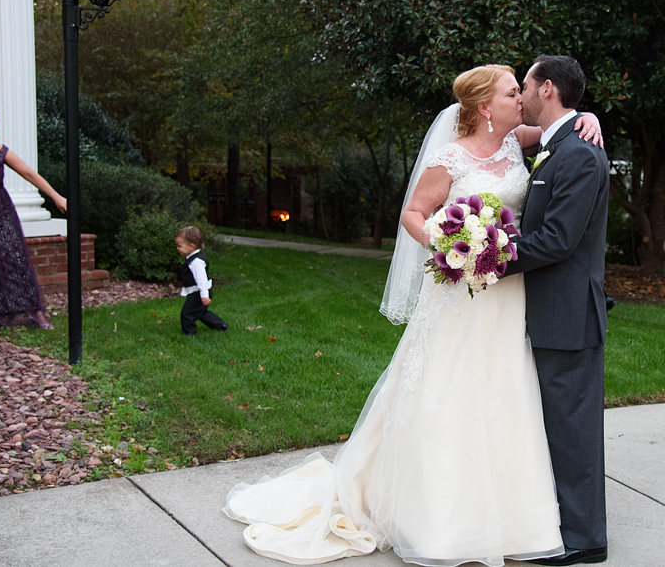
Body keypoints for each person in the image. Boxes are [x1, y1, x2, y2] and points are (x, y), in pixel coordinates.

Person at [223, 65, 604, 566]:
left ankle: (513, 515)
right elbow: (412, 213)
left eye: (524, 89)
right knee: (446, 393)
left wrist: (590, 116)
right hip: (460, 290)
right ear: (486, 107)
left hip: (507, 298)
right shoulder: (451, 155)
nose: (522, 98)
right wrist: (452, 247)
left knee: (505, 396)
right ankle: (440, 518)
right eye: (513, 92)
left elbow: (563, 123)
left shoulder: (520, 139)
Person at [504, 56, 609, 566]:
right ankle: (560, 526)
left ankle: (585, 540)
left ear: (547, 89)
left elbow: (559, 240)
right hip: (547, 311)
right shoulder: (558, 146)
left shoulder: (580, 156)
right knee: (553, 426)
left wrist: (488, 259)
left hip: (568, 314)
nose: (520, 94)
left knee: (572, 429)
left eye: (525, 85)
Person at [0, 108, 66, 329]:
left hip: (0, 214)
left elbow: (29, 174)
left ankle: (36, 312)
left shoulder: (0, 151)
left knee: (13, 260)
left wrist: (56, 196)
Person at [176, 226, 229, 335]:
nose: (178, 248)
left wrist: (204, 295)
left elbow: (202, 280)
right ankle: (220, 325)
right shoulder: (192, 256)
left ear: (192, 246)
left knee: (187, 313)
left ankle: (189, 334)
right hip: (199, 292)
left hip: (199, 292)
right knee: (201, 312)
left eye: (180, 246)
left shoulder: (196, 262)